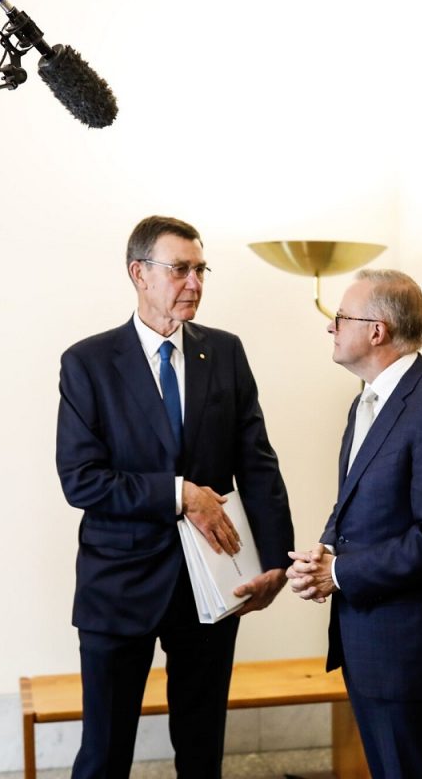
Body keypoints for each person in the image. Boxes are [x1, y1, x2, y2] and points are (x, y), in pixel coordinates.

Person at [55, 215, 294, 778]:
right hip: (118, 586)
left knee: (202, 744)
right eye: (180, 269)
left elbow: (257, 463)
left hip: (210, 583)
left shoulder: (226, 353)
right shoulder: (87, 363)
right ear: (139, 273)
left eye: (200, 269)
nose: (195, 283)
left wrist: (278, 563)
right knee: (104, 754)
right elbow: (80, 479)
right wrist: (178, 494)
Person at [286, 269, 422, 778]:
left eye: (340, 318)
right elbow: (352, 500)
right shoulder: (365, 400)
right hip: (370, 641)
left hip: (413, 651)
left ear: (377, 330)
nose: (330, 328)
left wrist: (340, 574)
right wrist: (322, 554)